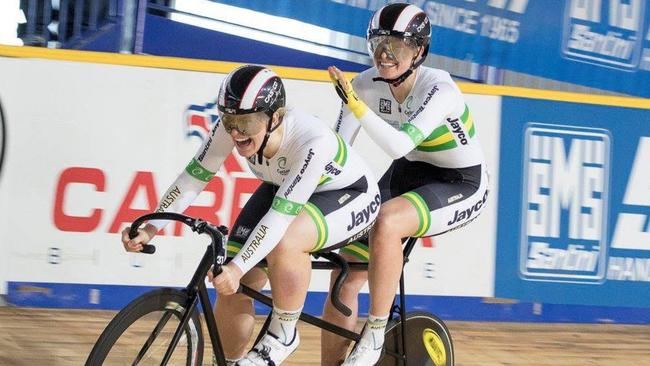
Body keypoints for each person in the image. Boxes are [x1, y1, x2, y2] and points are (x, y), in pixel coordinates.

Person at [122, 65, 382, 365]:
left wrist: (238, 267)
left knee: (285, 242)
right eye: (230, 120)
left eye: (246, 123)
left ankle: (284, 333)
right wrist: (151, 226)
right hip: (285, 188)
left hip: (350, 194)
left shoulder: (312, 141)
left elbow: (281, 219)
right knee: (231, 284)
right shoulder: (232, 128)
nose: (235, 132)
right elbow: (194, 178)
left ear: (275, 117)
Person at [323, 3, 489, 365]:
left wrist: (355, 103)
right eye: (379, 43)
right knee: (344, 274)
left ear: (419, 51)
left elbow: (400, 144)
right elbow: (337, 154)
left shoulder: (439, 89)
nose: (384, 54)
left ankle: (375, 333)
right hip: (408, 172)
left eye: (396, 46)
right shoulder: (365, 85)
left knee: (387, 221)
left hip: (459, 180)